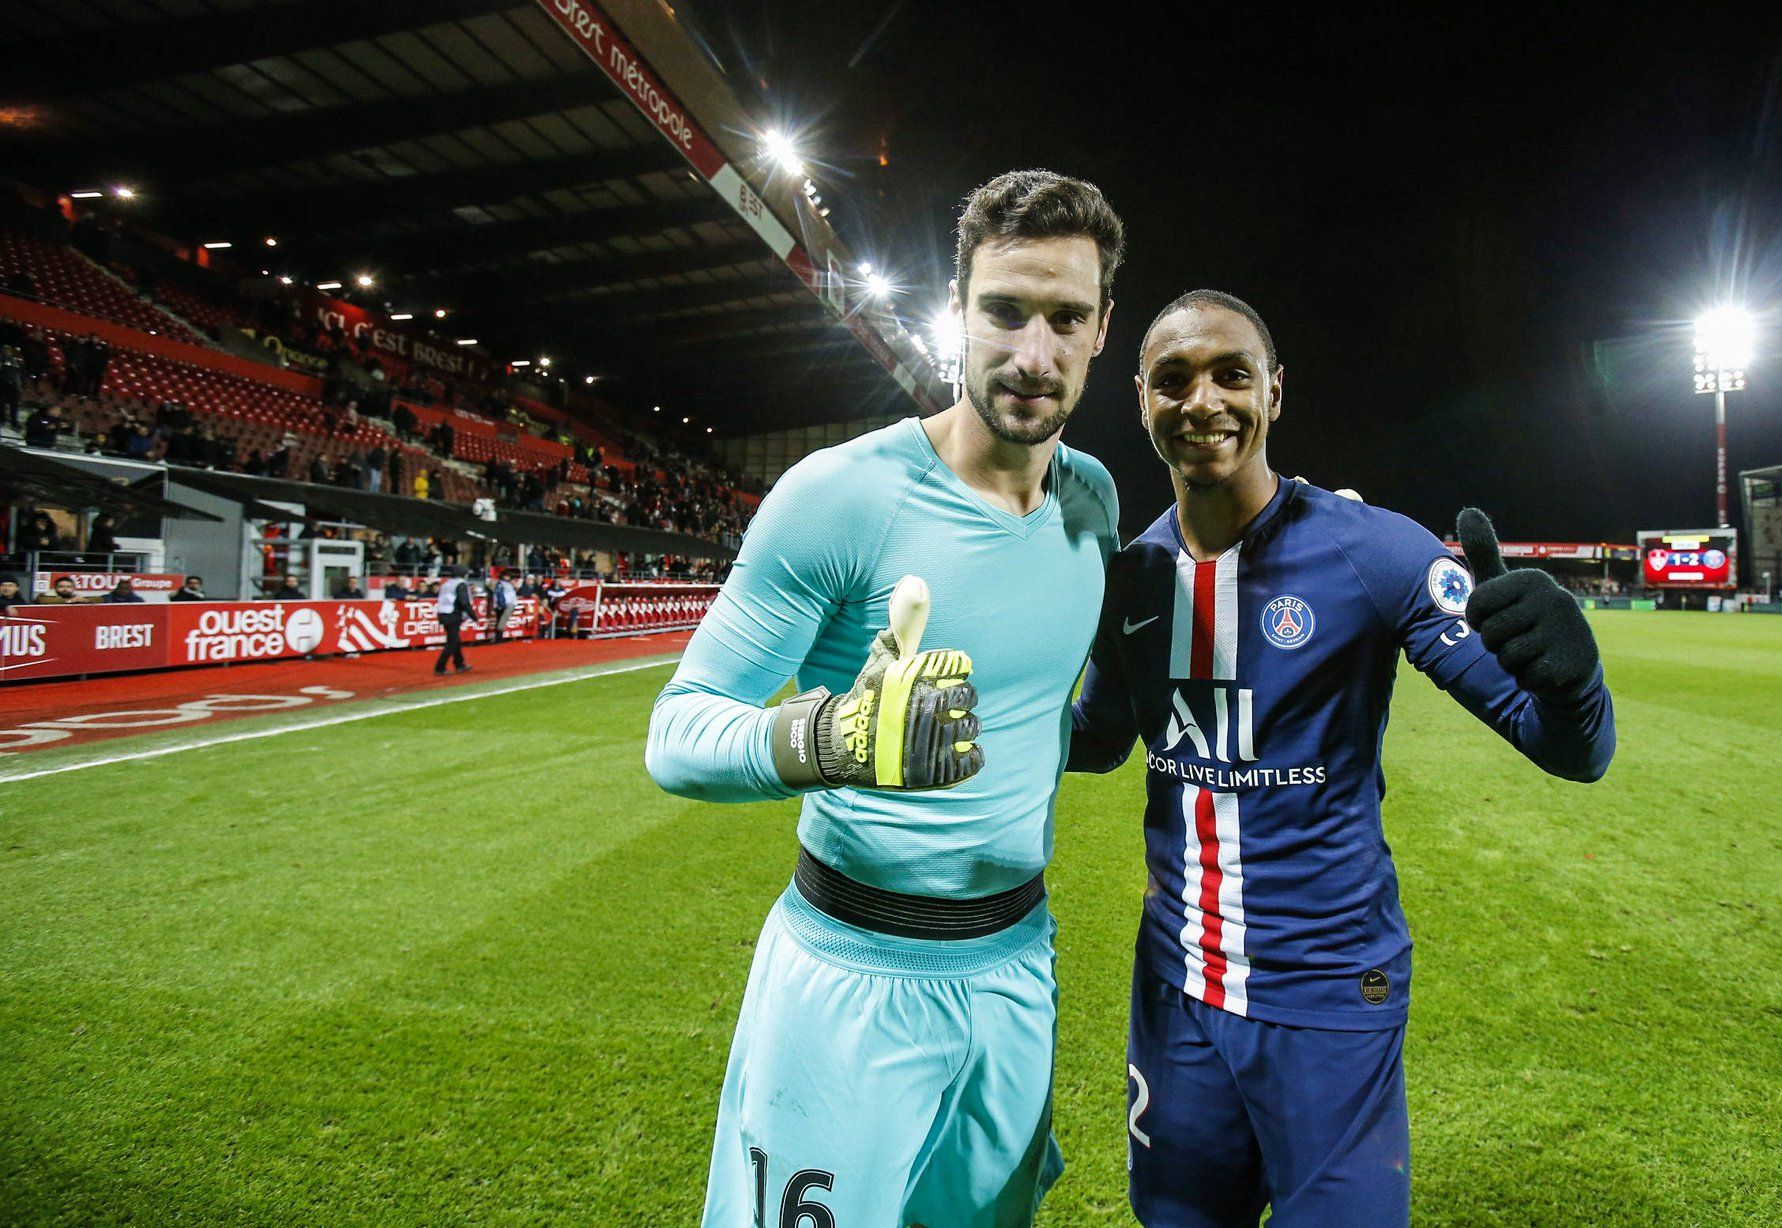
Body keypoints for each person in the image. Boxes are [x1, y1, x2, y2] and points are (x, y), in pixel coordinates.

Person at [1065, 291, 1616, 1227]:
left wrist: (1572, 682)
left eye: (1232, 375)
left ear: (1274, 392)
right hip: (1176, 994)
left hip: (1329, 992)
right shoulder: (1130, 578)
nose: (1204, 401)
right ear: (1142, 401)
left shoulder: (1375, 553)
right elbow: (1102, 738)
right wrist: (980, 707)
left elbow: (1571, 750)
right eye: (1175, 380)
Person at [645, 169, 1126, 1226]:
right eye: (1003, 311)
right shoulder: (840, 497)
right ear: (953, 311)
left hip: (1014, 972)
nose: (1031, 354)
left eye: (1065, 318)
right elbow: (676, 733)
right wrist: (832, 735)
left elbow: (1043, 701)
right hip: (848, 982)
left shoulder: (1090, 496)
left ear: (1100, 332)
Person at [433, 567, 478, 675]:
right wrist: (473, 616)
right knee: (452, 642)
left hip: (443, 613)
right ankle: (440, 667)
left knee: (454, 640)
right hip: (452, 614)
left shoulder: (447, 583)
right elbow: (464, 602)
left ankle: (459, 664)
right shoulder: (460, 584)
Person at [489, 570, 518, 643]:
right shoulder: (501, 583)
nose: (507, 577)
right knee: (501, 622)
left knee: (501, 621)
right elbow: (499, 595)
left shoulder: (506, 584)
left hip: (505, 604)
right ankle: (498, 639)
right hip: (504, 605)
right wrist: (501, 605)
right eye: (506, 576)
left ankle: (499, 638)